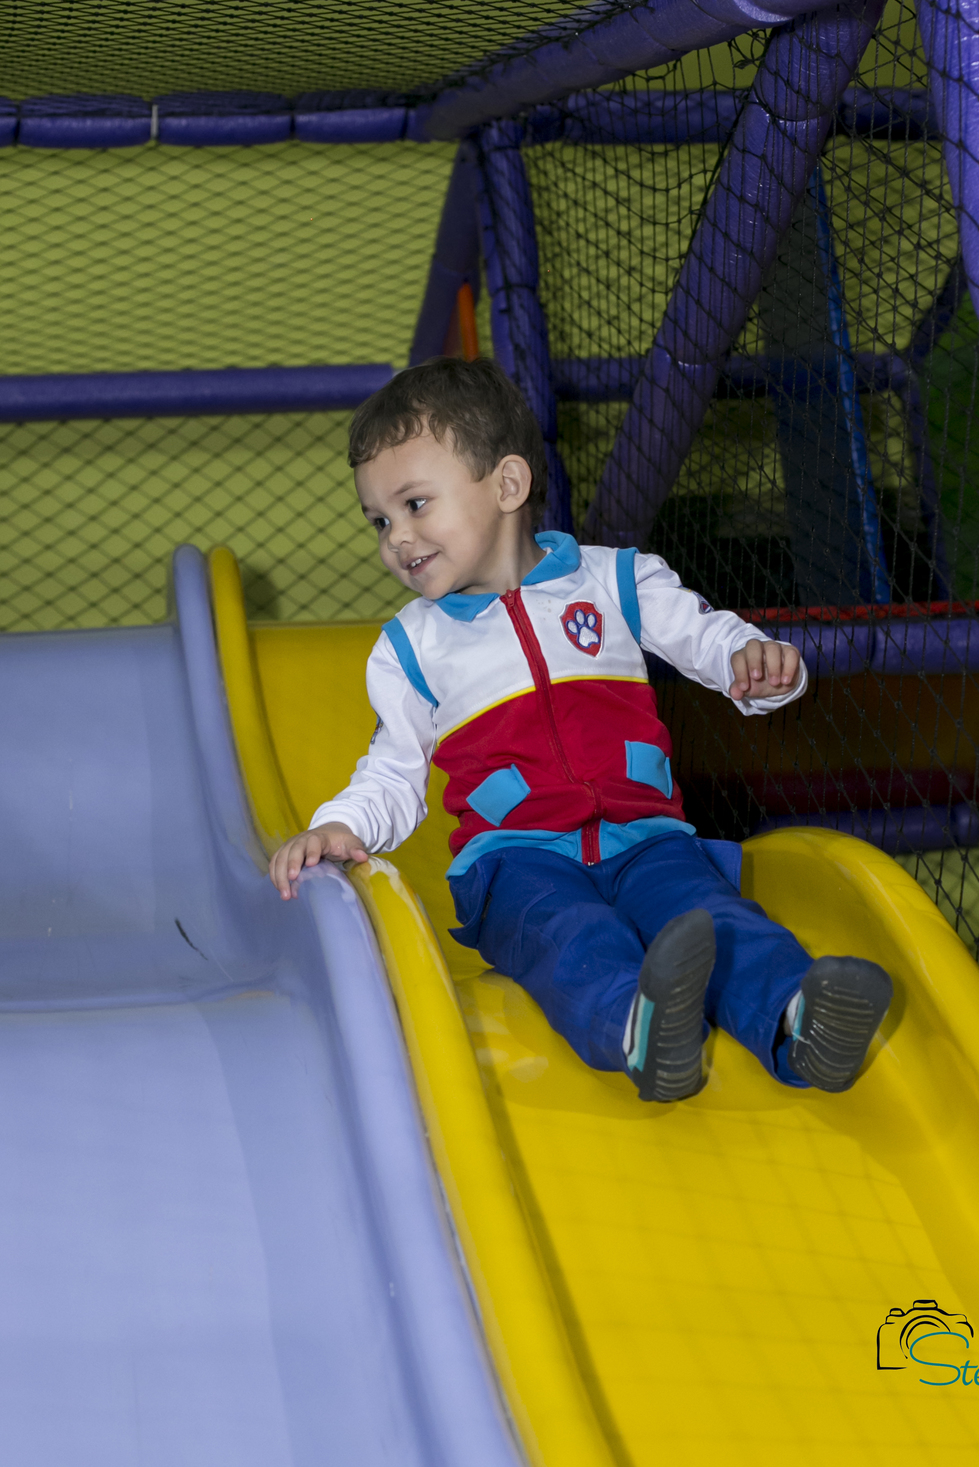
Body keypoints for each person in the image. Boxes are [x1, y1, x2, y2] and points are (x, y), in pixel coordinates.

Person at [269, 357, 892, 1102]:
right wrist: (341, 825)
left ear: (507, 484)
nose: (397, 538)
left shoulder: (615, 581)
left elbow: (706, 638)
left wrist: (751, 663)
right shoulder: (412, 648)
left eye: (415, 504)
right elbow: (392, 770)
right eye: (380, 521)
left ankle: (799, 1026)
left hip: (648, 837)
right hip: (515, 861)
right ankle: (639, 1029)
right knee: (568, 936)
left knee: (716, 922)